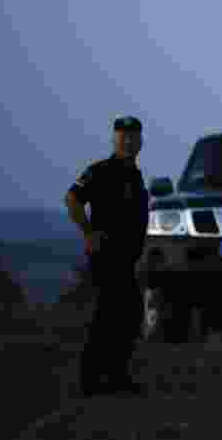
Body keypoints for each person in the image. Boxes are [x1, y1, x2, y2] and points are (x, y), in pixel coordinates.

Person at [65, 115, 150, 397]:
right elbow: (73, 198)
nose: (128, 141)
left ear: (140, 141)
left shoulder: (134, 175)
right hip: (107, 257)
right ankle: (91, 381)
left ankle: (115, 377)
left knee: (127, 317)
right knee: (106, 318)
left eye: (133, 137)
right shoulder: (101, 171)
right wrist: (88, 232)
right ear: (114, 140)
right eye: (122, 136)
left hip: (127, 259)